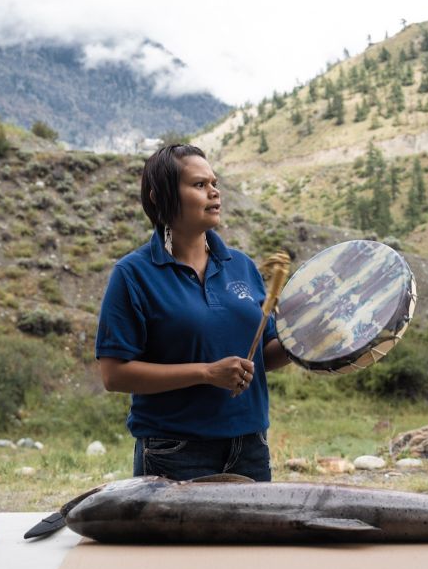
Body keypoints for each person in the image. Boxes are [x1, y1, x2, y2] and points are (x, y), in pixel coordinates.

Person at [95, 143, 290, 481]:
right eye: (199, 185)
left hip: (251, 447)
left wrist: (308, 341)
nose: (214, 193)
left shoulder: (241, 265)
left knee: (253, 537)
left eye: (214, 183)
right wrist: (205, 373)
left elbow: (263, 354)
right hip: (174, 451)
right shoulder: (133, 274)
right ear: (160, 196)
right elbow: (115, 375)